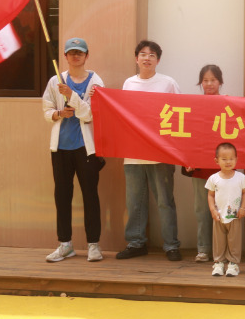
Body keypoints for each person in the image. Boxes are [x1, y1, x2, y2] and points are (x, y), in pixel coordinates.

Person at [117, 40, 182, 261]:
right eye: (143, 54)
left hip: (161, 153)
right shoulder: (128, 84)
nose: (147, 58)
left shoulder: (168, 83)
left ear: (158, 60)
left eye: (152, 55)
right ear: (136, 58)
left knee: (165, 200)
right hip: (133, 153)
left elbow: (181, 113)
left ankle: (171, 245)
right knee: (135, 201)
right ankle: (136, 243)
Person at [42, 37, 105, 262]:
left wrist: (72, 96)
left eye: (80, 52)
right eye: (71, 52)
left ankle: (93, 245)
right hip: (60, 147)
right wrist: (59, 114)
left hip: (85, 148)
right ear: (65, 57)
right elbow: (47, 111)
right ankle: (65, 244)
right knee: (62, 195)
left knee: (90, 195)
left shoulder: (96, 82)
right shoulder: (54, 81)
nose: (75, 56)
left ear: (87, 56)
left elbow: (90, 115)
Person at [184, 64, 225, 263]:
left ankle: (223, 249)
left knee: (225, 209)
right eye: (205, 80)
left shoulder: (229, 103)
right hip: (200, 167)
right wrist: (187, 159)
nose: (209, 84)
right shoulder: (194, 104)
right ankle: (203, 249)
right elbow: (188, 135)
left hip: (224, 167)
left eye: (213, 80)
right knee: (202, 210)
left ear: (220, 82)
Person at [205, 142, 245, 277]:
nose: (228, 162)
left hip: (235, 215)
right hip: (219, 215)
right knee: (219, 240)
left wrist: (243, 208)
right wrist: (213, 210)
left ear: (236, 159)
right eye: (224, 159)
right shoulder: (214, 178)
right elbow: (210, 195)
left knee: (234, 240)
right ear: (216, 160)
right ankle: (218, 262)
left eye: (231, 158)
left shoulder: (240, 177)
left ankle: (233, 264)